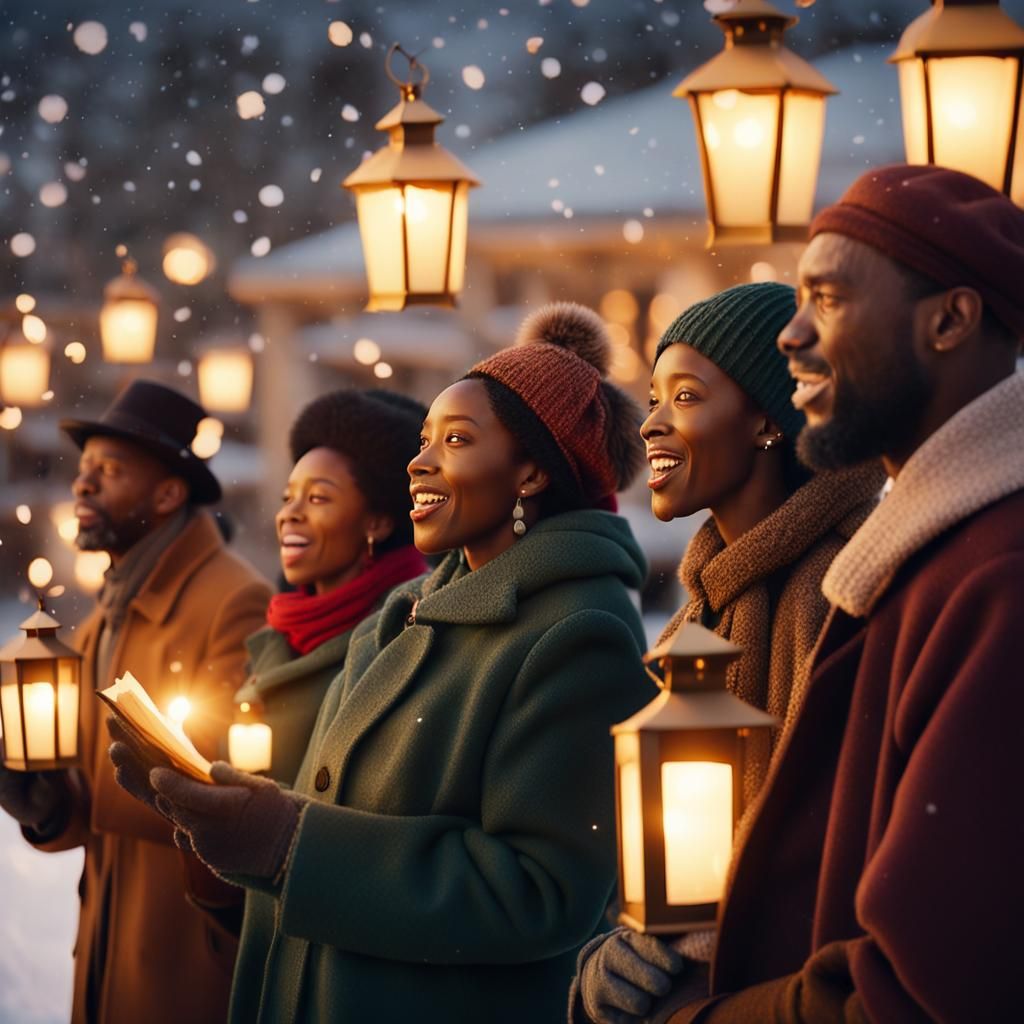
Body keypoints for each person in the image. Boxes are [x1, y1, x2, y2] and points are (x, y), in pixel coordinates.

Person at [112, 302, 656, 1022]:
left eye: (456, 439)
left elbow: (541, 890)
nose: (420, 460)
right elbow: (328, 815)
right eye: (424, 438)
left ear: (529, 471)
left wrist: (287, 843)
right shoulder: (400, 619)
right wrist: (221, 820)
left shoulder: (580, 633)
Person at [621, 163, 1024, 1023]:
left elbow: (921, 987)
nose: (793, 337)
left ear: (951, 319)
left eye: (829, 301)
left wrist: (699, 1012)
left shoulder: (993, 579)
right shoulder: (921, 565)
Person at [573, 283, 884, 1024]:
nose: (649, 424)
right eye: (652, 398)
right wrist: (612, 955)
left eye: (684, 396)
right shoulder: (698, 615)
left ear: (768, 420)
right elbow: (650, 868)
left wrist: (705, 959)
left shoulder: (845, 593)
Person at [0, 379, 272, 1024]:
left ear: (169, 492)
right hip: (106, 947)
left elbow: (220, 786)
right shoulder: (106, 612)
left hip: (184, 953)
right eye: (85, 469)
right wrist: (45, 804)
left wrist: (82, 788)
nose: (84, 484)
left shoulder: (235, 600)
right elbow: (93, 807)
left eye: (111, 470)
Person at [233, 388, 428, 785]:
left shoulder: (404, 634)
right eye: (288, 497)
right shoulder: (280, 631)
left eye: (318, 498)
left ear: (378, 522)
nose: (290, 514)